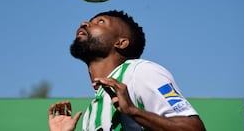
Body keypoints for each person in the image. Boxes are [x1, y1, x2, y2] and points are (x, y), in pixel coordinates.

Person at [48, 10, 206, 131]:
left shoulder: (141, 72)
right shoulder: (91, 113)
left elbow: (194, 128)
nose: (84, 23)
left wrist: (133, 111)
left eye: (100, 22)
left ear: (121, 42)